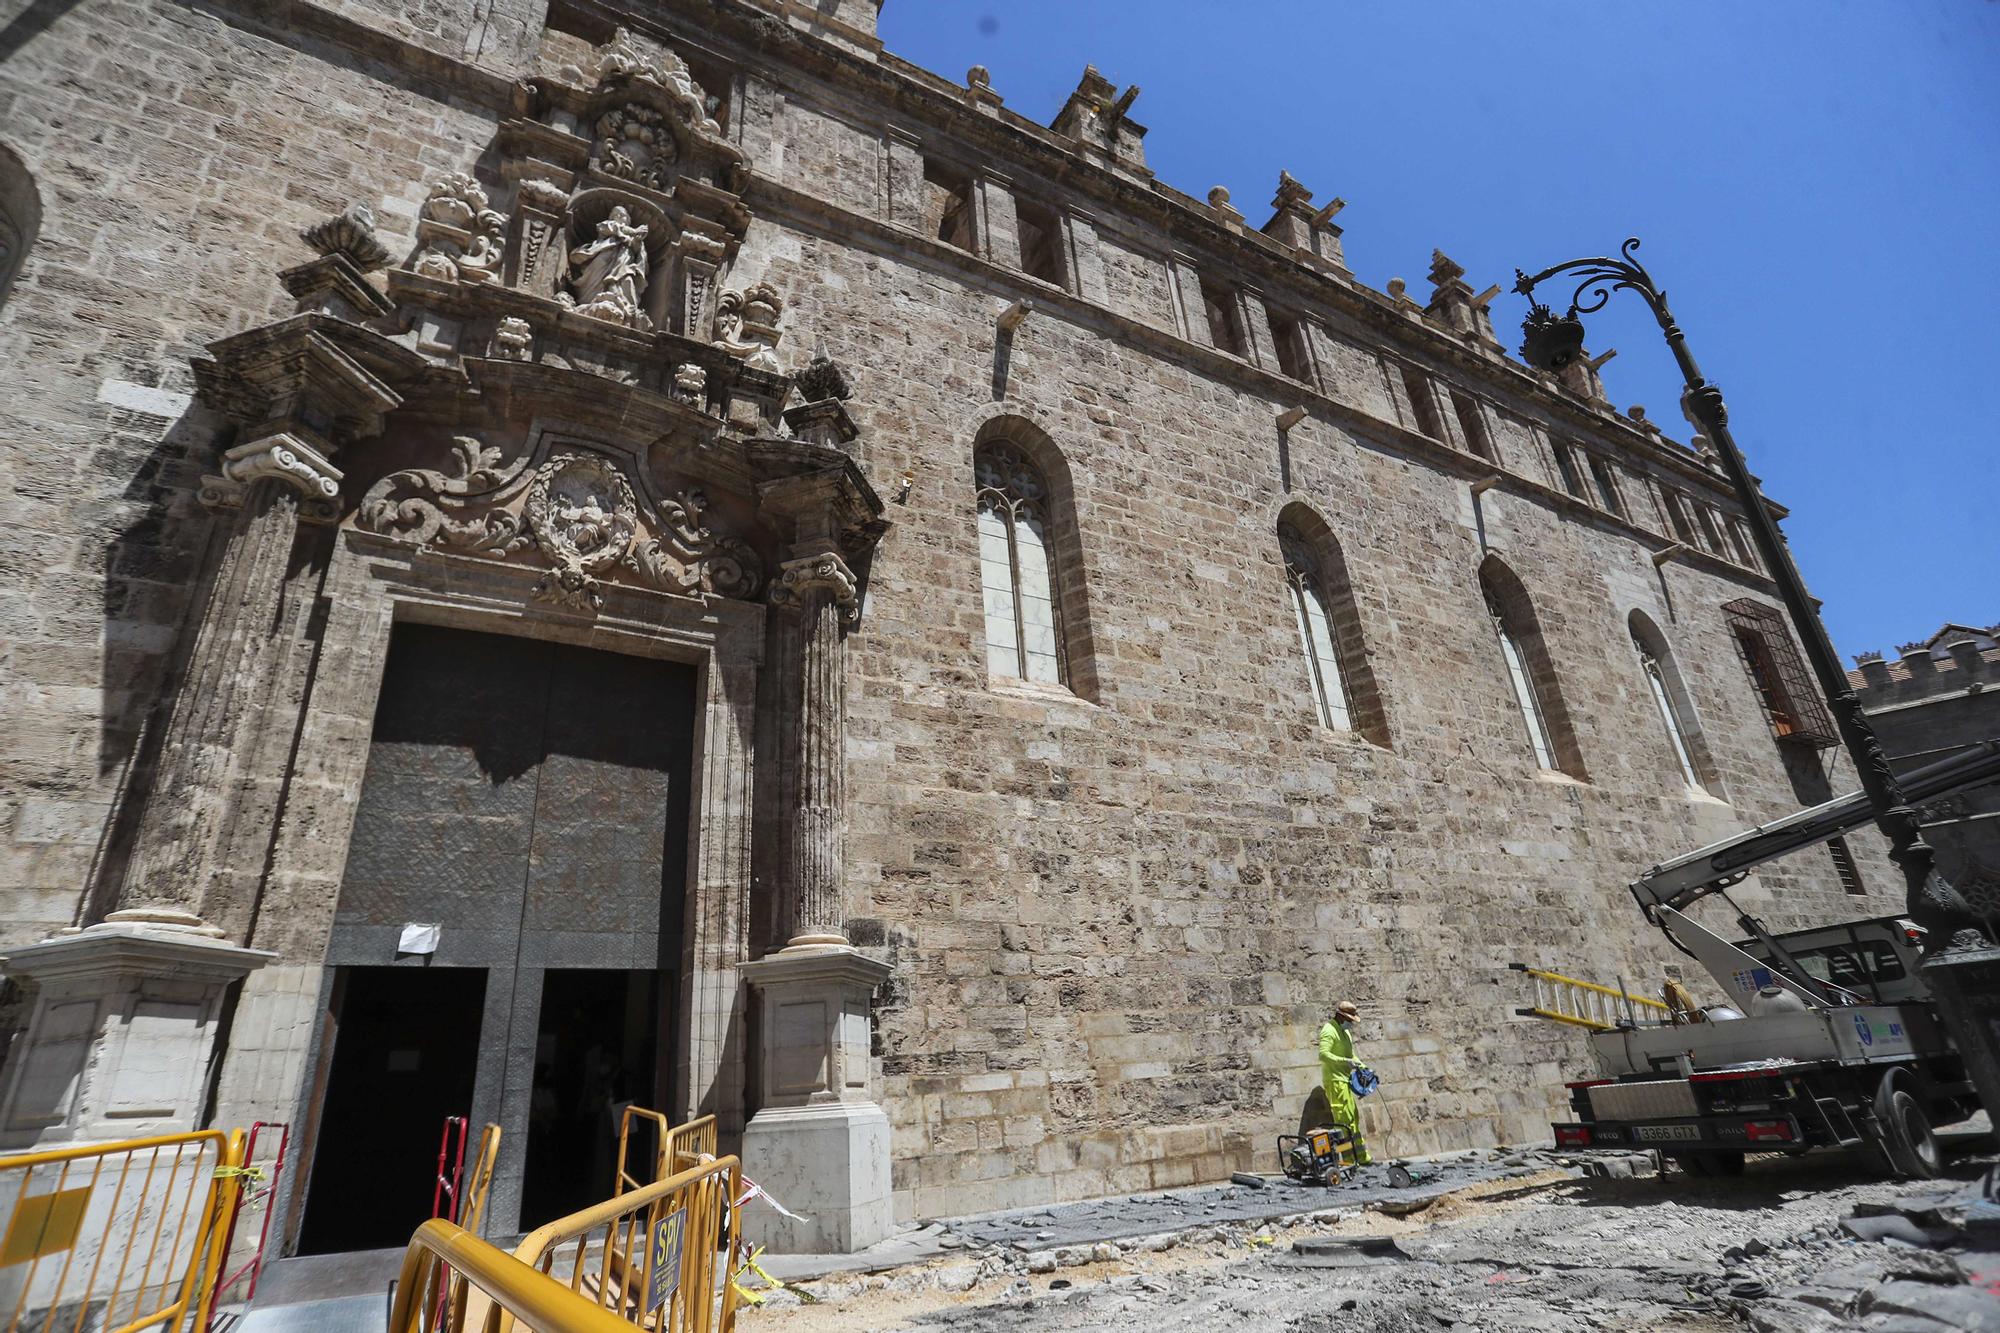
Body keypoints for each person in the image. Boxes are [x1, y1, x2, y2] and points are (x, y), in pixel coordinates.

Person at [1317, 999, 1373, 1165]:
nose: (1351, 1023)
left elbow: (1351, 1055)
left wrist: (1363, 1066)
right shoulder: (1329, 1030)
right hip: (1335, 1081)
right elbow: (1323, 1055)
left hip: (1346, 1080)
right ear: (1341, 1017)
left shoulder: (1345, 1032)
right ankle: (1347, 1159)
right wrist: (1344, 1061)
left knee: (1353, 1119)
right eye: (1349, 1020)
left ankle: (1362, 1157)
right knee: (1343, 1123)